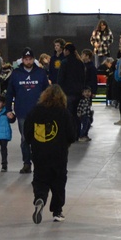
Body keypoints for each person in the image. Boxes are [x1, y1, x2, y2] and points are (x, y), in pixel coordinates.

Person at [26, 85, 77, 224]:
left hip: (39, 153)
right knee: (58, 181)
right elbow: (72, 135)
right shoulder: (64, 113)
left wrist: (34, 143)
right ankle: (57, 211)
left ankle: (40, 198)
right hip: (58, 153)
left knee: (40, 178)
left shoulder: (35, 112)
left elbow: (27, 132)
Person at [7, 48, 51, 174]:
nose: (28, 61)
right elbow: (10, 93)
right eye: (26, 59)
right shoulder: (16, 74)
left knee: (40, 138)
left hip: (39, 112)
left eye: (30, 59)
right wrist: (8, 109)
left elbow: (47, 92)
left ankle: (40, 163)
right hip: (22, 112)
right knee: (25, 139)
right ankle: (27, 163)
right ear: (22, 60)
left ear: (33, 59)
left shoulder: (41, 73)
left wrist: (48, 107)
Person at [57, 42, 87, 135]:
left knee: (68, 114)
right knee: (77, 114)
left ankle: (70, 133)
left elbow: (60, 78)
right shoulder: (80, 62)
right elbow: (83, 78)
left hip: (67, 92)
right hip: (78, 93)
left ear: (67, 51)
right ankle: (77, 132)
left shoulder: (64, 62)